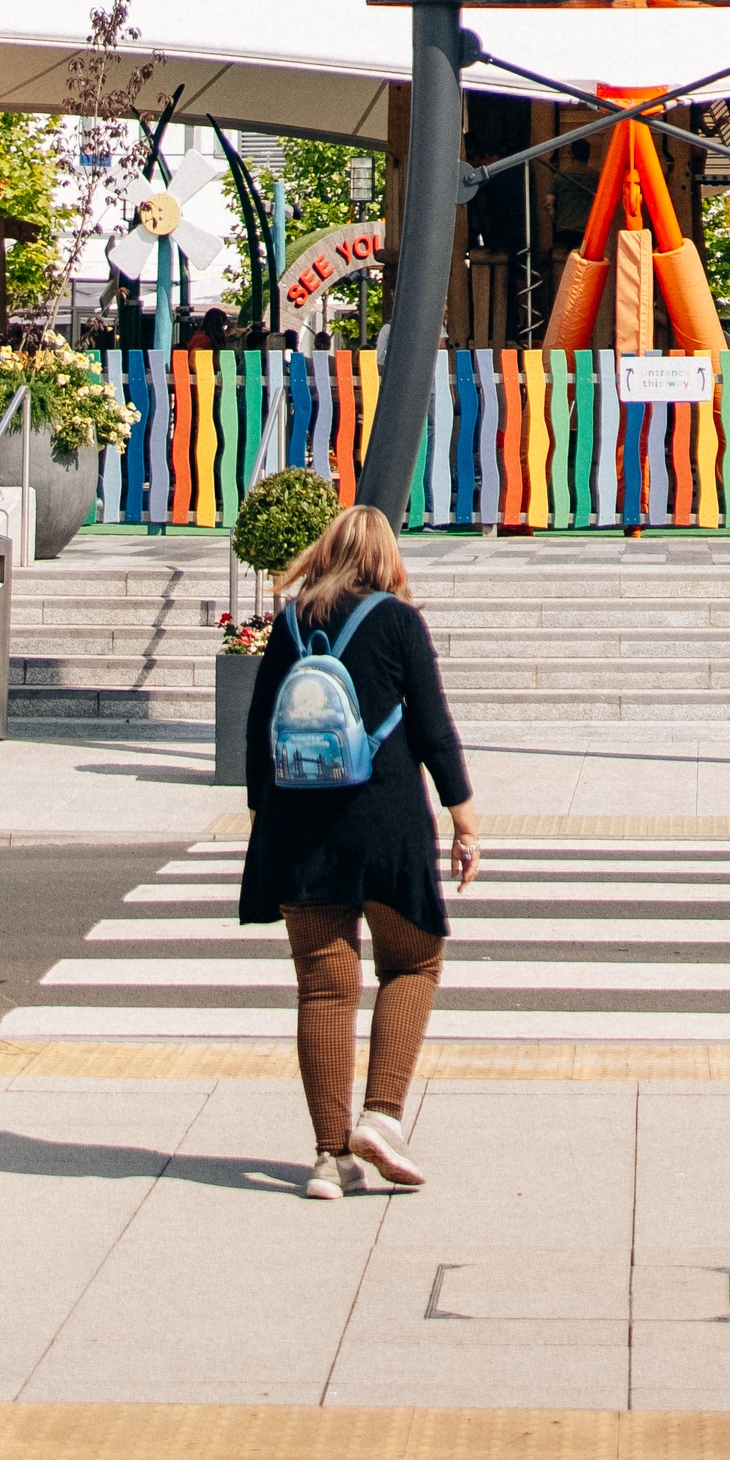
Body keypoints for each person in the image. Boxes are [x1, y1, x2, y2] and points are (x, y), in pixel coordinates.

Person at [238, 499, 477, 1199]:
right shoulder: (399, 621)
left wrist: (265, 820)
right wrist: (463, 819)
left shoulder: (287, 622)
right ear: (386, 558)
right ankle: (380, 1114)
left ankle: (326, 1158)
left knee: (322, 984)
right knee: (414, 961)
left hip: (298, 825)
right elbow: (434, 727)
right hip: (388, 821)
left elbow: (259, 732)